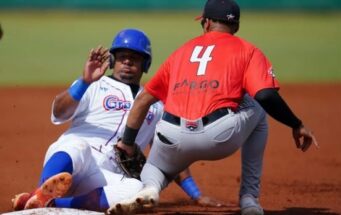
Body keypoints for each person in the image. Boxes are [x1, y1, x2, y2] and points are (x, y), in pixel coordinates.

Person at [108, 1, 319, 215]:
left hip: (170, 135)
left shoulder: (181, 51)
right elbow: (266, 95)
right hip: (218, 137)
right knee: (258, 107)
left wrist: (127, 142)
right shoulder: (248, 50)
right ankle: (249, 200)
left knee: (155, 167)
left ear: (207, 23)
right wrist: (296, 124)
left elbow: (143, 100)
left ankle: (151, 189)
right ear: (236, 27)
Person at [11, 28, 222, 212]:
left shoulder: (154, 105)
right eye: (122, 57)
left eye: (134, 58)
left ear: (145, 64)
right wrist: (84, 82)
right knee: (77, 144)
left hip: (102, 177)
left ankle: (50, 205)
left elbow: (169, 151)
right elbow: (58, 113)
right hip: (74, 162)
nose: (127, 62)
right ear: (112, 61)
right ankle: (41, 192)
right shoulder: (94, 85)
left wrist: (196, 194)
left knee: (137, 189)